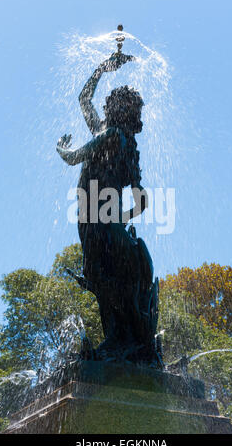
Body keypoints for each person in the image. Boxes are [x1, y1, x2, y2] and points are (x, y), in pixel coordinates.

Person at [56, 54, 161, 365]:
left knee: (101, 280)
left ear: (116, 110)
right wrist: (119, 220)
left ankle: (118, 341)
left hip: (93, 220)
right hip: (106, 222)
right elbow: (142, 202)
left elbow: (72, 157)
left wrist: (60, 146)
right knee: (107, 283)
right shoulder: (125, 142)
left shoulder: (109, 134)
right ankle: (127, 342)